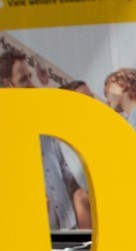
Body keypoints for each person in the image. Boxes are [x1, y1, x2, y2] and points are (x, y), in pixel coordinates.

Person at [1, 52, 91, 229]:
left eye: (30, 76)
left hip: (67, 229)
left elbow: (69, 173)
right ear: (7, 84)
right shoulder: (6, 136)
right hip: (32, 232)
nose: (31, 84)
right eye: (23, 80)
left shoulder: (46, 125)